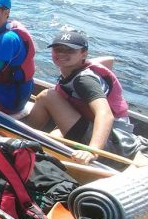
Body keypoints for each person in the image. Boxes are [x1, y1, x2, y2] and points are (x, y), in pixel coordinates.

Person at [24, 28, 132, 164]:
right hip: (99, 128)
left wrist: (92, 151)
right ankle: (30, 137)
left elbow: (105, 114)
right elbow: (109, 60)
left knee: (47, 96)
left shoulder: (84, 80)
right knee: (52, 138)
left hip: (113, 142)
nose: (62, 53)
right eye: (58, 49)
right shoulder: (76, 69)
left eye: (70, 50)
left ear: (83, 54)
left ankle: (23, 137)